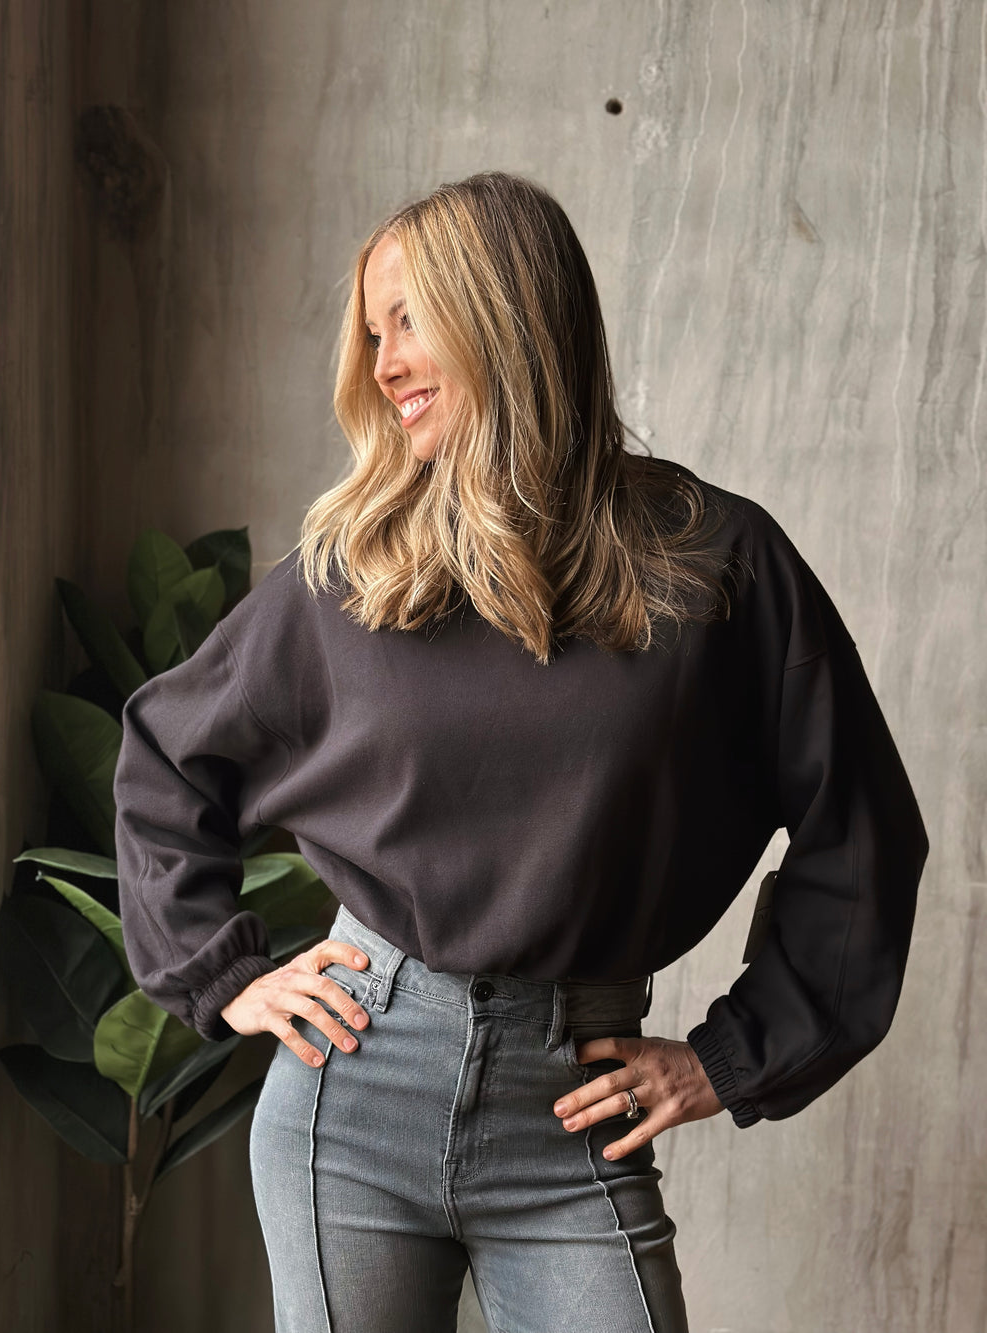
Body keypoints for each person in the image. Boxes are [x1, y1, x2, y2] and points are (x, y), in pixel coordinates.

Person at [113, 171, 928, 1333]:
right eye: (373, 332)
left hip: (571, 1109)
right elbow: (168, 751)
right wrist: (223, 976)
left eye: (408, 320)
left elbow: (863, 822)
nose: (383, 363)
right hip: (355, 1091)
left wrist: (731, 1056)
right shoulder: (357, 569)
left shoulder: (716, 562)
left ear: (502, 314)